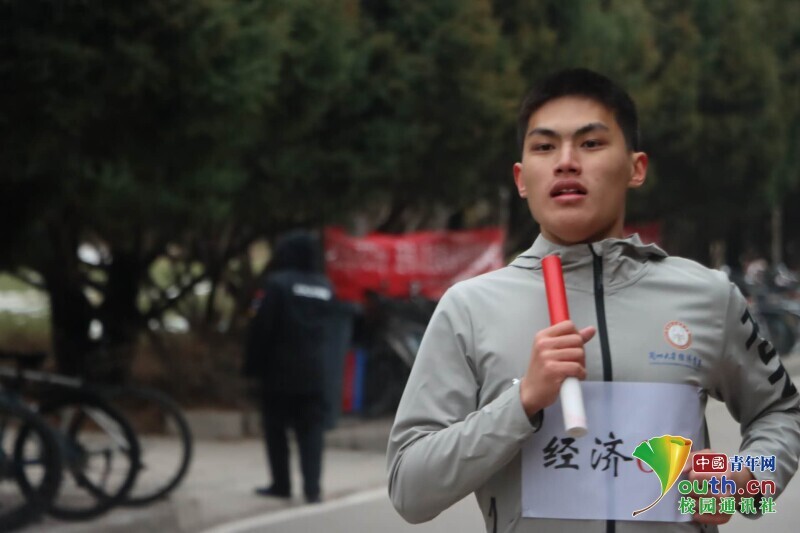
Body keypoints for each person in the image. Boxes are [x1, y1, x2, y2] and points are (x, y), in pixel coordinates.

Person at [387, 68, 800, 532]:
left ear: (636, 168)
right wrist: (520, 401)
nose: (566, 162)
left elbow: (781, 413)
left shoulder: (708, 296)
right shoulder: (469, 308)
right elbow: (409, 491)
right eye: (545, 147)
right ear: (521, 179)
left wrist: (746, 485)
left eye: (590, 143)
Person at [243, 230, 337, 504]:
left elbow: (262, 328)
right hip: (316, 372)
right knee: (312, 432)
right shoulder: (325, 287)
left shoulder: (277, 284)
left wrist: (252, 366)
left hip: (280, 372)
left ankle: (281, 484)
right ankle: (312, 488)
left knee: (276, 430)